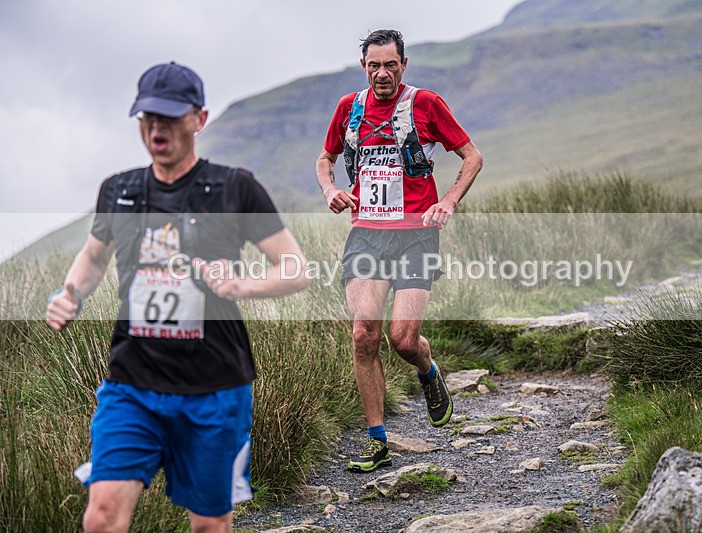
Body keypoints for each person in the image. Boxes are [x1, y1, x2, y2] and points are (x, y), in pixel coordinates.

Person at [46, 62, 309, 533]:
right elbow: (92, 258)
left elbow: (296, 269)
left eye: (168, 117)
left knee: (210, 525)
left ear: (199, 119)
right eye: (147, 118)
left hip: (214, 389)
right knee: (102, 514)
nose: (155, 129)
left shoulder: (234, 187)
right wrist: (70, 294)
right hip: (131, 386)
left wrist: (241, 285)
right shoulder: (120, 191)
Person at [315, 29, 483, 473]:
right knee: (363, 333)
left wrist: (447, 201)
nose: (383, 73)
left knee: (403, 339)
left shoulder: (425, 103)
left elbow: (472, 157)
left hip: (416, 235)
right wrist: (331, 189)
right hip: (367, 234)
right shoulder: (348, 109)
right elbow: (324, 158)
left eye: (391, 64)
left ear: (403, 65)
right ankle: (377, 441)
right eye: (375, 65)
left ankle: (427, 370)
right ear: (364, 67)